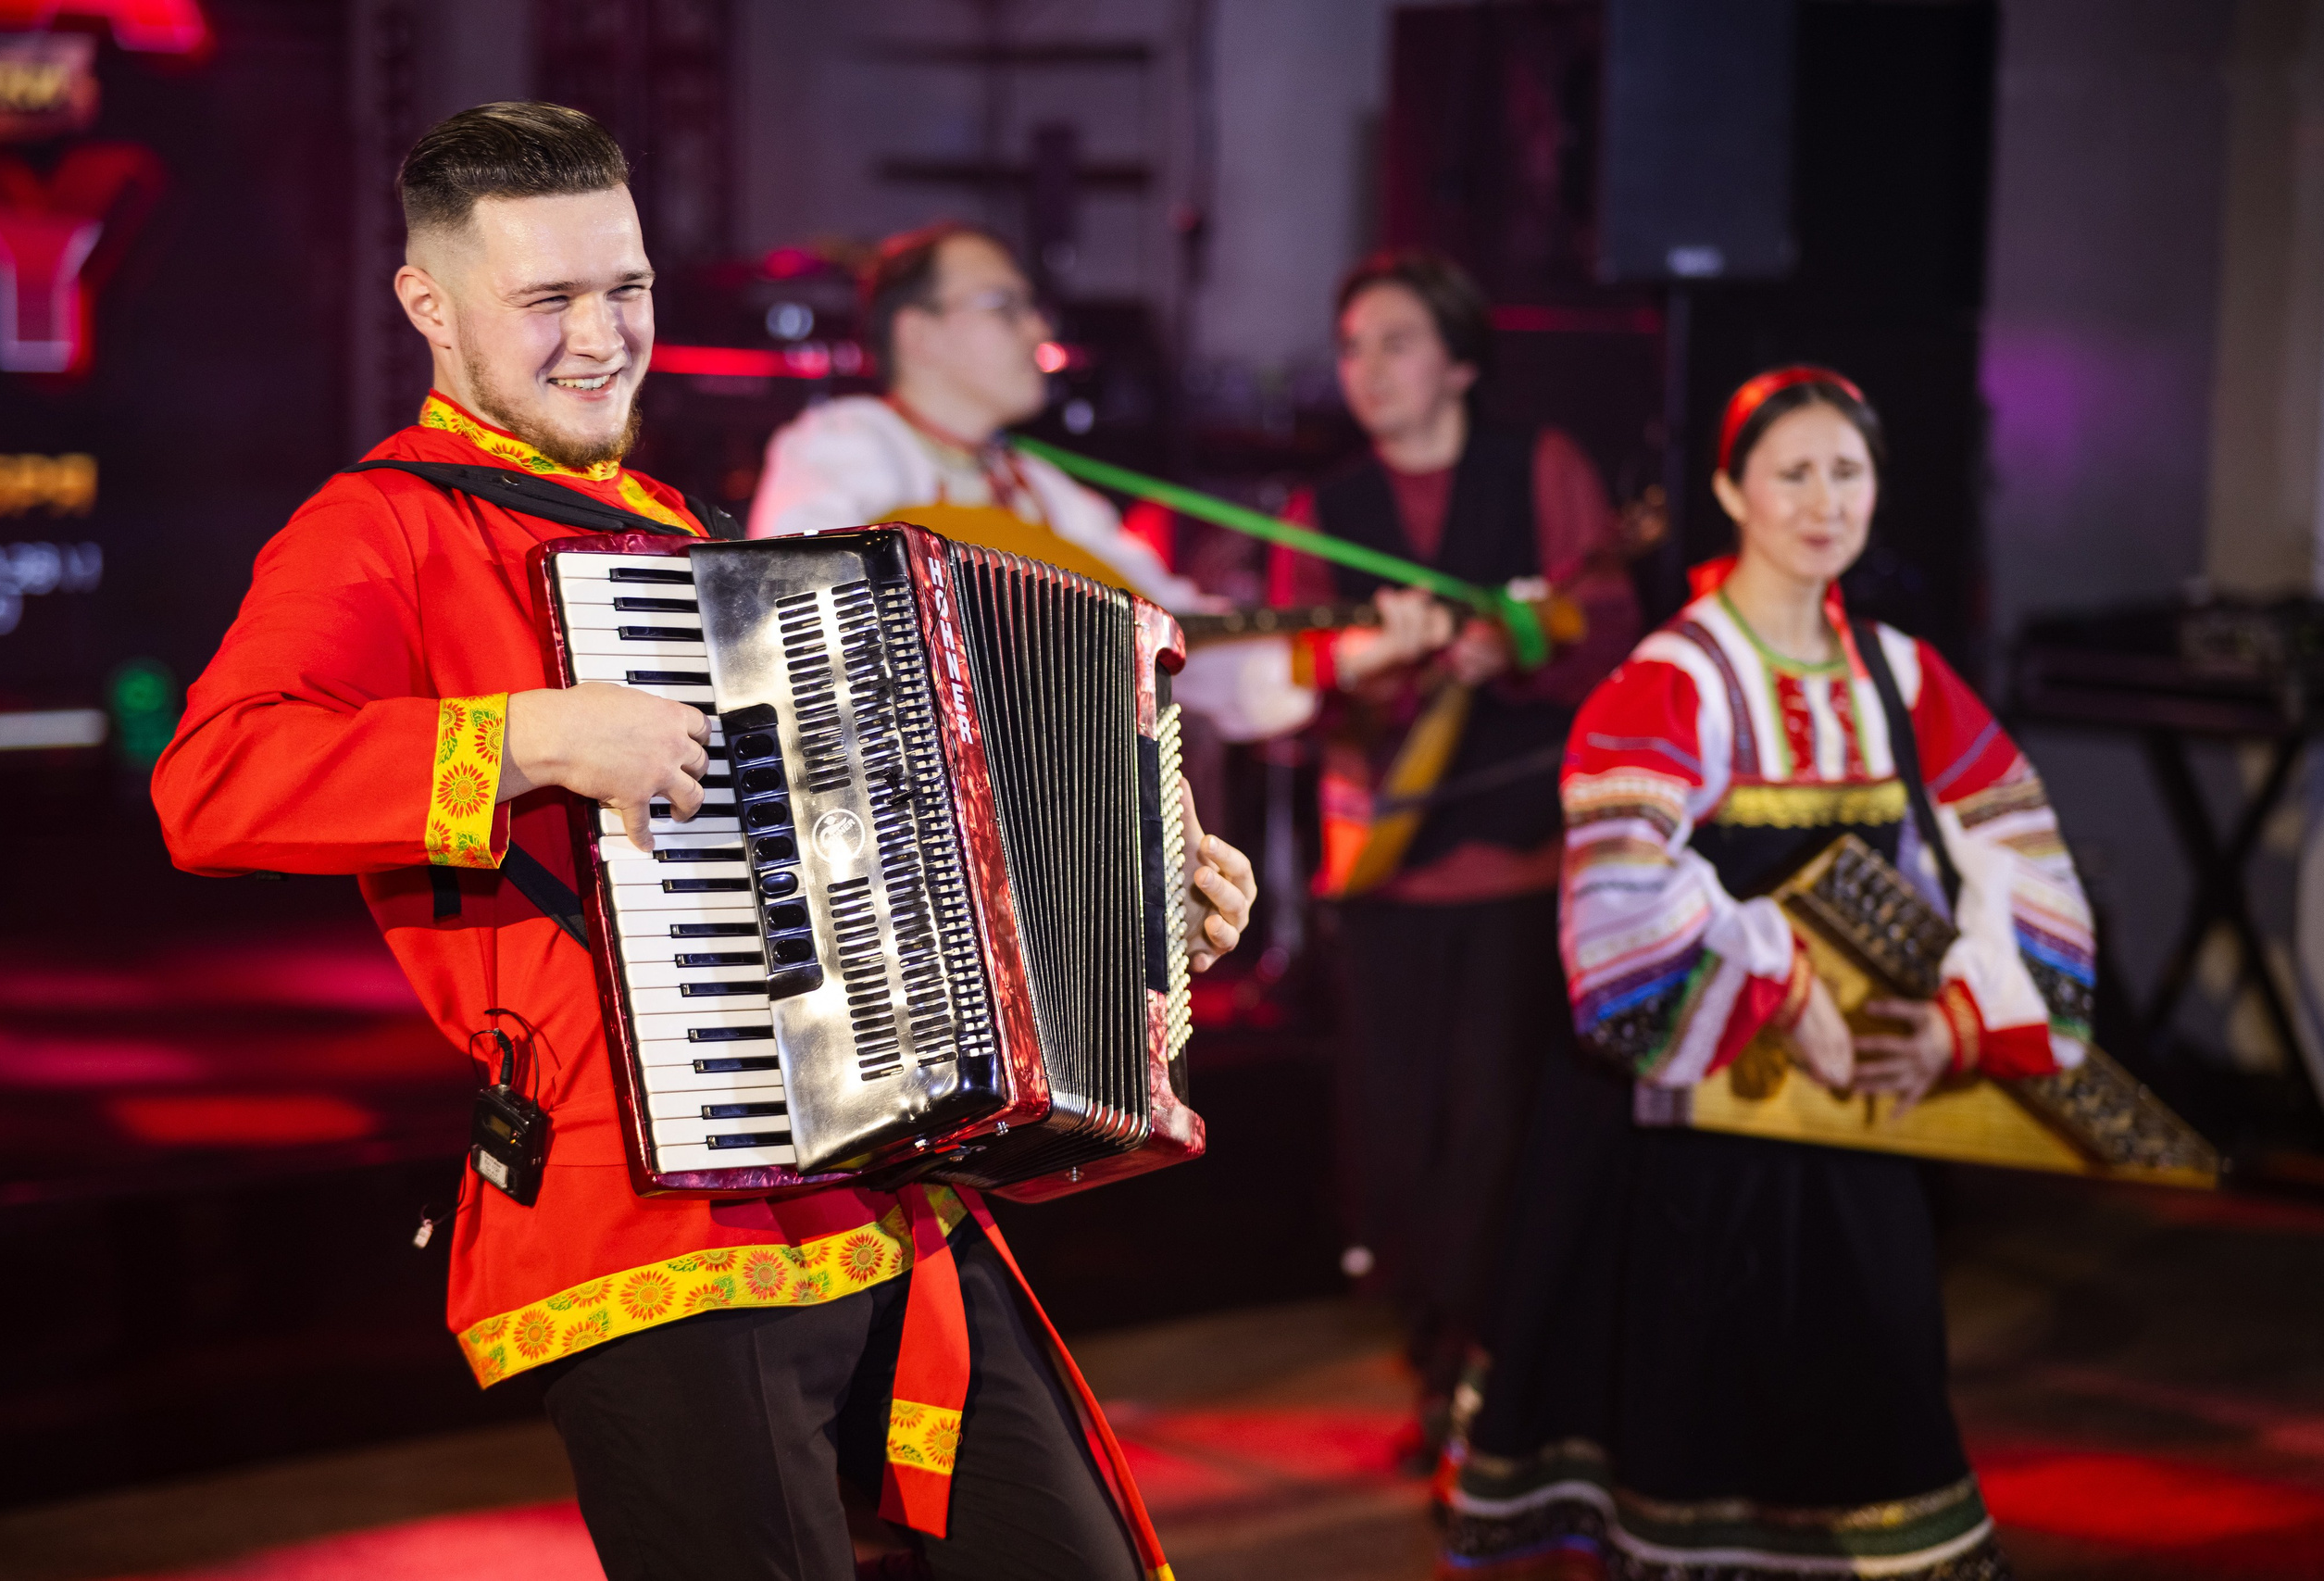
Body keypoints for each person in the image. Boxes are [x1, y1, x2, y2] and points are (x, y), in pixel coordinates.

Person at [153, 102, 1258, 1581]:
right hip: (637, 1222)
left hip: (880, 1180)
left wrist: (1131, 895)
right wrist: (532, 735)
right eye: (546, 300)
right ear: (429, 305)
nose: (602, 336)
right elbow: (212, 780)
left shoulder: (689, 531)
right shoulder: (378, 530)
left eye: (628, 288)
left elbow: (895, 836)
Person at [1438, 367, 2096, 1580]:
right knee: (1696, 1412)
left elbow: (2018, 849)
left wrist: (1961, 1019)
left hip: (1851, 1117)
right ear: (1731, 487)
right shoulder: (1673, 676)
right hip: (1687, 1116)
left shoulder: (1900, 676)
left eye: (1847, 471)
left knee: (1878, 1388)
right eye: (1791, 470)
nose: (1822, 499)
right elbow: (1623, 885)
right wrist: (1779, 974)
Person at [1268, 250, 1647, 1461]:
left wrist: (1520, 645)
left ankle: (1482, 1371)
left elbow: (1617, 638)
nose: (1367, 369)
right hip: (1383, 870)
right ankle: (1435, 1339)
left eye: (1396, 342)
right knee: (1393, 1132)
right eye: (1351, 347)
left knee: (1493, 1123)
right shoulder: (1321, 512)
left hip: (1520, 864)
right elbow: (1290, 688)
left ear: (1463, 360)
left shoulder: (1541, 469)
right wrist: (1369, 662)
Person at [748, 220, 1315, 744]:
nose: (1040, 328)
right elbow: (791, 630)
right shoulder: (839, 446)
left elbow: (1166, 630)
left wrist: (1325, 658)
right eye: (1006, 307)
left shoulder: (1043, 491)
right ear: (919, 334)